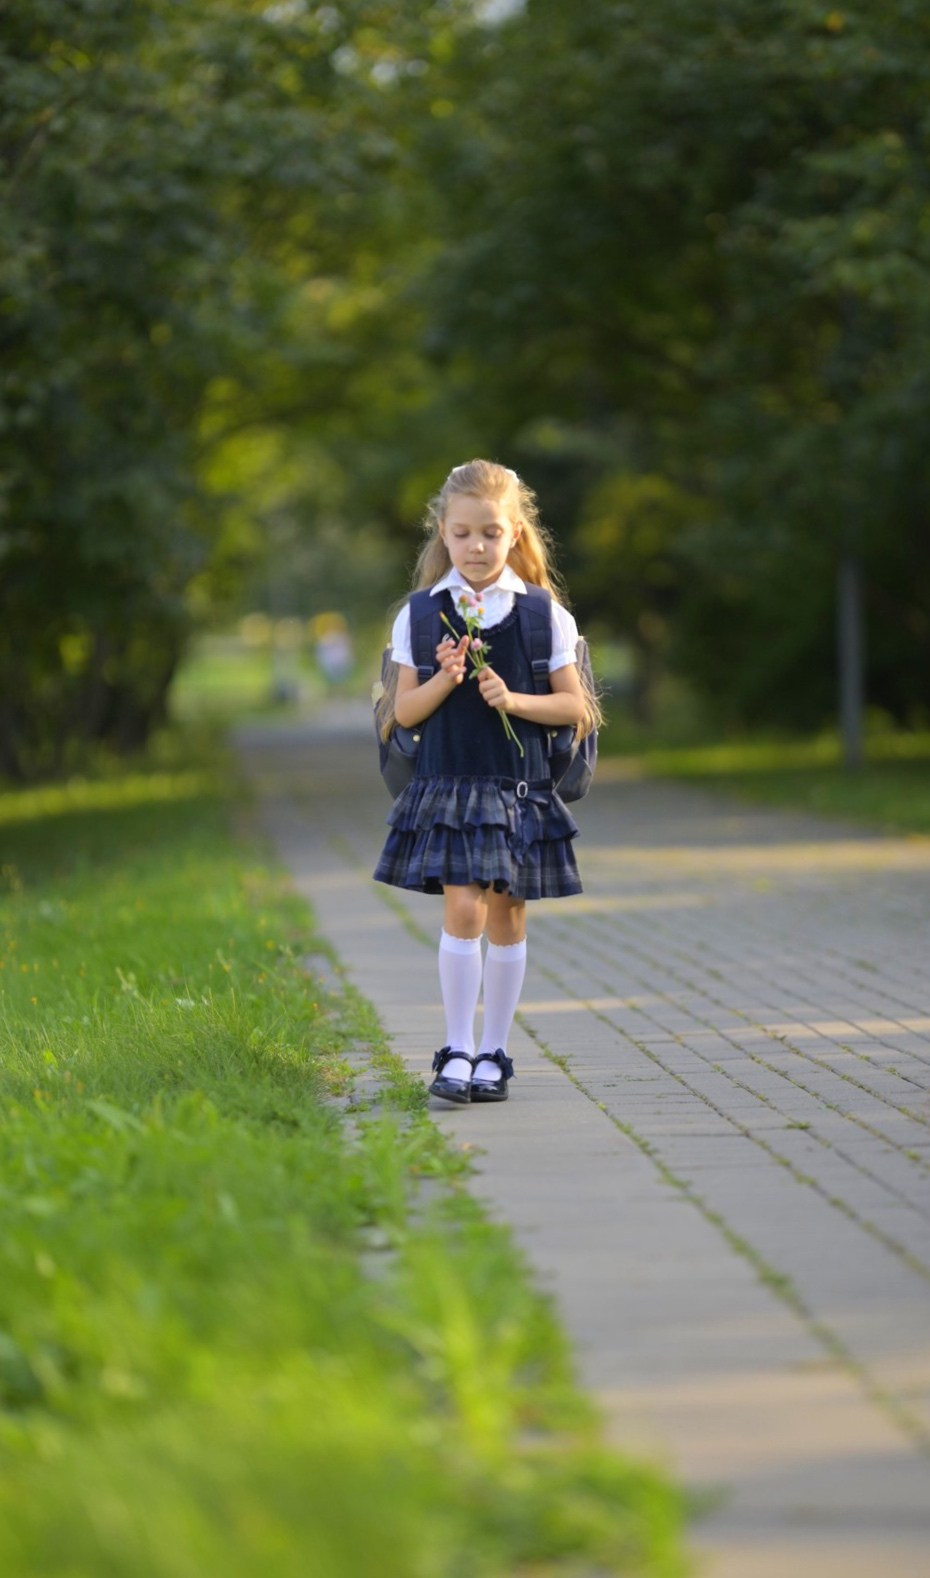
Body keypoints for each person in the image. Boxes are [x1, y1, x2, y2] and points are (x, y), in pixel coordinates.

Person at [374, 459, 601, 1106]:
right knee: (464, 906)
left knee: (507, 915)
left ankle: (494, 1052)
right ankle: (456, 1048)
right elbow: (403, 714)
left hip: (518, 789)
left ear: (515, 536)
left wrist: (513, 701)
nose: (477, 547)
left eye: (491, 534)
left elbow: (575, 709)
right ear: (442, 534)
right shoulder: (420, 615)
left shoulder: (541, 616)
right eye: (463, 533)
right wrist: (447, 676)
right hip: (449, 787)